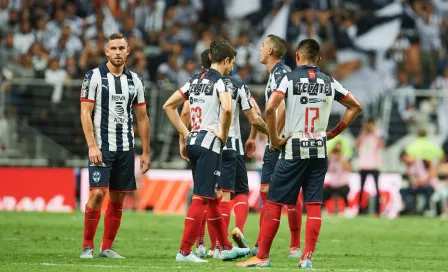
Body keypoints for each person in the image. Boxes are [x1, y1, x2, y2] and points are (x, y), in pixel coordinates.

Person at [236, 39, 362, 268]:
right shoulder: (329, 81)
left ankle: (262, 256)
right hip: (319, 148)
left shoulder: (289, 78)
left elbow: (270, 107)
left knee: (273, 201)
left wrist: (273, 138)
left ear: (297, 57)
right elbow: (355, 107)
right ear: (319, 59)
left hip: (294, 147)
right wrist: (335, 132)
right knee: (313, 204)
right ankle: (307, 258)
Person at [163, 41, 250, 262]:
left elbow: (168, 106)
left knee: (212, 198)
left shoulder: (195, 79)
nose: (232, 68)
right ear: (227, 60)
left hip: (194, 140)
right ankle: (184, 252)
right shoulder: (221, 82)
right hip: (209, 143)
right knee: (201, 198)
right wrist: (223, 132)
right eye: (232, 63)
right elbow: (228, 108)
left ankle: (225, 247)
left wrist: (185, 133)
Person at [180, 46, 268, 258]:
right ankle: (221, 245)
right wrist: (260, 136)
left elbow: (183, 112)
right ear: (226, 60)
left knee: (206, 194)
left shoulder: (199, 82)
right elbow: (254, 113)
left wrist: (183, 138)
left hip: (200, 143)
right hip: (228, 146)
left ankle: (204, 244)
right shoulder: (236, 84)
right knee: (231, 195)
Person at [79, 33, 151, 259]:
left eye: (122, 48)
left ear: (128, 51)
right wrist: (92, 146)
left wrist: (146, 151)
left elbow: (142, 117)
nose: (118, 52)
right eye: (114, 48)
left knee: (119, 198)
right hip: (101, 146)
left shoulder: (135, 81)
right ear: (106, 51)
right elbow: (85, 112)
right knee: (98, 193)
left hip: (126, 148)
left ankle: (106, 248)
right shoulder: (93, 77)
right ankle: (87, 246)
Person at [251, 34, 303, 259]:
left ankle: (293, 245)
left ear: (271, 51)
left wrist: (274, 136)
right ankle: (264, 241)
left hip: (281, 143)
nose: (260, 49)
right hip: (279, 142)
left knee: (282, 195)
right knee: (271, 193)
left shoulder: (281, 74)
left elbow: (281, 108)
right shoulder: (277, 74)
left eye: (263, 45)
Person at [355, 118, 385, 215]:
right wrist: (363, 132)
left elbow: (383, 145)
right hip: (363, 165)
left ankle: (377, 210)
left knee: (376, 188)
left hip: (374, 165)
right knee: (361, 188)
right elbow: (356, 145)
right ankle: (360, 209)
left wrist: (374, 133)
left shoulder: (378, 134)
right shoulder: (363, 135)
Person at [399, 150, 436, 215]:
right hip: (417, 187)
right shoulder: (409, 168)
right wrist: (415, 182)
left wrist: (424, 181)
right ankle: (410, 209)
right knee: (403, 191)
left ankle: (425, 210)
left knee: (428, 191)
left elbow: (432, 172)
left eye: (404, 160)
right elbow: (412, 180)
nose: (405, 162)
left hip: (428, 185)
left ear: (407, 156)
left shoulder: (421, 160)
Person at [323, 142, 352, 217]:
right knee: (324, 192)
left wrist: (339, 159)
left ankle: (347, 209)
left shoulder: (344, 158)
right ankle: (323, 210)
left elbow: (348, 168)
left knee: (344, 192)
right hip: (333, 184)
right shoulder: (331, 159)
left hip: (343, 184)